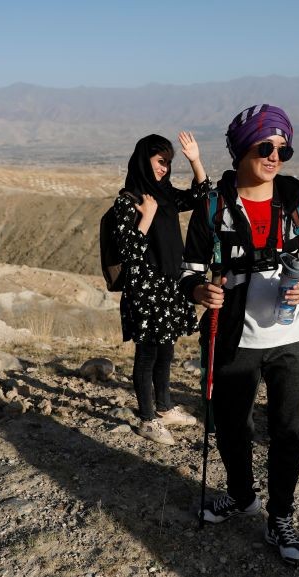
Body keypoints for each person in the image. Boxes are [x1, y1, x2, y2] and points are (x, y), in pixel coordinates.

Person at [179, 104, 299, 564]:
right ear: (241, 149)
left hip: (295, 340)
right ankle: (242, 495)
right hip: (233, 340)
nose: (275, 156)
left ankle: (280, 515)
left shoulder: (296, 199)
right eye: (265, 147)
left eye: (283, 148)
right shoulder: (214, 206)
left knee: (288, 433)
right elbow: (188, 270)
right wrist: (201, 292)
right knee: (231, 428)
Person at [113, 132, 211, 445]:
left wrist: (195, 160)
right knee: (147, 355)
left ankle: (165, 408)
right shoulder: (128, 199)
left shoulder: (165, 193)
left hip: (168, 287)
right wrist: (147, 218)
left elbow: (201, 196)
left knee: (166, 350)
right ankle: (146, 418)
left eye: (168, 163)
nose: (164, 168)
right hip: (144, 290)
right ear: (145, 160)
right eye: (160, 161)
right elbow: (127, 251)